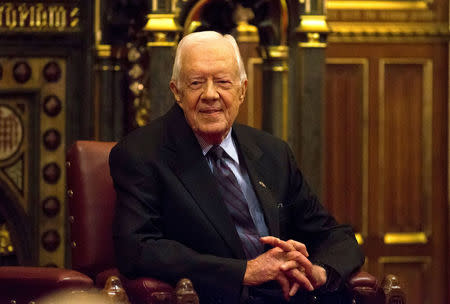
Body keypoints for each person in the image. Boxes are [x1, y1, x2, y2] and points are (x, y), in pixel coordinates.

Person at [109, 31, 364, 304]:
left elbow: (336, 237)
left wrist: (318, 272)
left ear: (242, 90)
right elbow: (138, 250)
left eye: (222, 82)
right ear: (177, 92)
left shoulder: (272, 152)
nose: (210, 94)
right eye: (196, 83)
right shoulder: (141, 153)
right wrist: (245, 271)